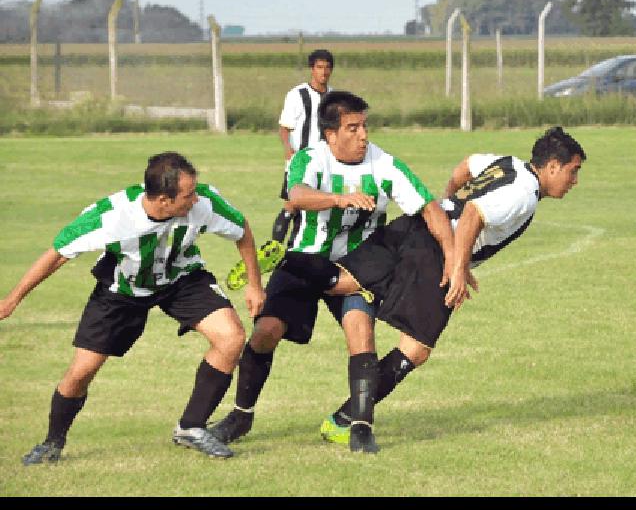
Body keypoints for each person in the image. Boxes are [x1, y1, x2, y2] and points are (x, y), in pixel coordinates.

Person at [265, 126, 585, 447]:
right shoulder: (523, 194)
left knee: (344, 282)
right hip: (434, 252)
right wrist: (457, 266)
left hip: (420, 226)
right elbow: (473, 215)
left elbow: (466, 166)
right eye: (573, 172)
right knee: (416, 348)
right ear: (553, 166)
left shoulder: (509, 163)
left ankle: (287, 261)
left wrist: (447, 208)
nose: (575, 182)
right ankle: (343, 420)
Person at [210, 91, 460, 453]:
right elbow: (295, 194)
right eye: (352, 128)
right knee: (265, 331)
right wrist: (338, 199)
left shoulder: (384, 164)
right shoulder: (309, 159)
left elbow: (430, 209)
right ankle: (240, 415)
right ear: (330, 135)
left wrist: (452, 259)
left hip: (358, 266)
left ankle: (360, 426)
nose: (363, 136)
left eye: (364, 127)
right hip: (304, 260)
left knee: (360, 331)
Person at [0, 152, 265, 464]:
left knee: (231, 338)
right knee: (81, 372)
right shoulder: (112, 216)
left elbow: (241, 228)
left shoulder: (203, 202)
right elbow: (58, 254)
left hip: (181, 279)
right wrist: (12, 299)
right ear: (164, 200)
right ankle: (51, 443)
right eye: (188, 194)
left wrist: (254, 285)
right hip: (121, 292)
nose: (196, 199)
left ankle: (191, 427)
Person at [272, 49, 335, 245]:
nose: (323, 72)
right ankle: (274, 249)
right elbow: (284, 127)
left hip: (324, 163)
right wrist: (288, 148)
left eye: (327, 67)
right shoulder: (297, 95)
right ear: (311, 69)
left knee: (314, 208)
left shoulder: (333, 97)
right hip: (300, 161)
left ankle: (298, 250)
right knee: (292, 205)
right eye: (319, 67)